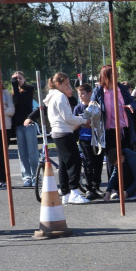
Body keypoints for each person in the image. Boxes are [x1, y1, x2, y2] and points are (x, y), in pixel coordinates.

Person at [43, 72, 89, 204]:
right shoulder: (60, 97)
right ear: (58, 84)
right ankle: (73, 191)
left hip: (58, 132)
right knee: (74, 162)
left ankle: (66, 193)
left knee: (63, 164)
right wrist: (83, 120)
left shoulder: (52, 96)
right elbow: (68, 118)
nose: (69, 86)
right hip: (63, 132)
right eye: (66, 84)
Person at [93, 65, 136, 172]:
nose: (117, 75)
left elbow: (131, 101)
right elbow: (92, 105)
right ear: (106, 75)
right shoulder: (99, 91)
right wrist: (92, 106)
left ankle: (128, 183)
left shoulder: (121, 88)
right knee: (112, 159)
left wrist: (131, 106)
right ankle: (114, 186)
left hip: (124, 129)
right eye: (114, 73)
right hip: (109, 131)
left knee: (126, 157)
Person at [73, 83, 104, 199]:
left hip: (97, 139)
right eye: (79, 94)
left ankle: (97, 186)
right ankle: (89, 188)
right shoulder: (78, 108)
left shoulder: (96, 106)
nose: (80, 96)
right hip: (85, 139)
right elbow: (75, 123)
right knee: (88, 162)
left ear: (90, 94)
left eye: (82, 93)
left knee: (98, 163)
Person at [10, 71, 39, 187]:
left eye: (20, 78)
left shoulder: (29, 89)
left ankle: (36, 177)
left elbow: (22, 101)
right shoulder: (13, 92)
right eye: (16, 79)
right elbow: (15, 101)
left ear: (24, 79)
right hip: (18, 124)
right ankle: (26, 177)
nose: (18, 81)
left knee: (32, 152)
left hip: (28, 123)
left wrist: (17, 85)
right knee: (22, 153)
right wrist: (14, 86)